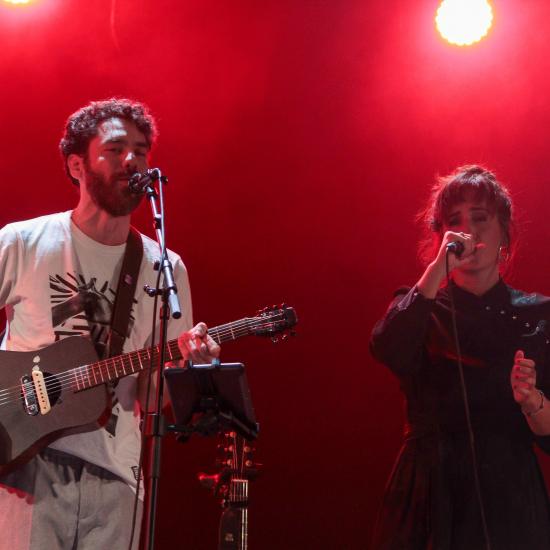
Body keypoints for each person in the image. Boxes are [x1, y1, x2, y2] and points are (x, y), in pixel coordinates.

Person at [0, 98, 220, 549]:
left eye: (140, 151)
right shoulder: (22, 241)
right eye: (116, 149)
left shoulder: (164, 267)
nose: (131, 161)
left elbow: (152, 399)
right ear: (76, 165)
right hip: (29, 464)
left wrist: (187, 367)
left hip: (118, 477)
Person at [370, 165, 550, 549]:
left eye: (480, 218)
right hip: (430, 491)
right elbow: (386, 346)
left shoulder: (538, 315)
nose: (467, 230)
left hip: (508, 494)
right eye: (454, 221)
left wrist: (533, 402)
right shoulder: (421, 306)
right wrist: (439, 268)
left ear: (505, 231)